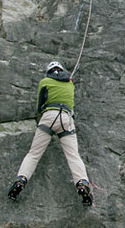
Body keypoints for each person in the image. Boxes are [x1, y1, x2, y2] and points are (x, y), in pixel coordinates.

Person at [8, 62, 93, 205]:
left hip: (49, 116)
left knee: (34, 154)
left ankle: (21, 179)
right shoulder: (70, 84)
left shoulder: (44, 82)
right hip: (66, 118)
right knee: (73, 155)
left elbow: (40, 104)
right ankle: (82, 183)